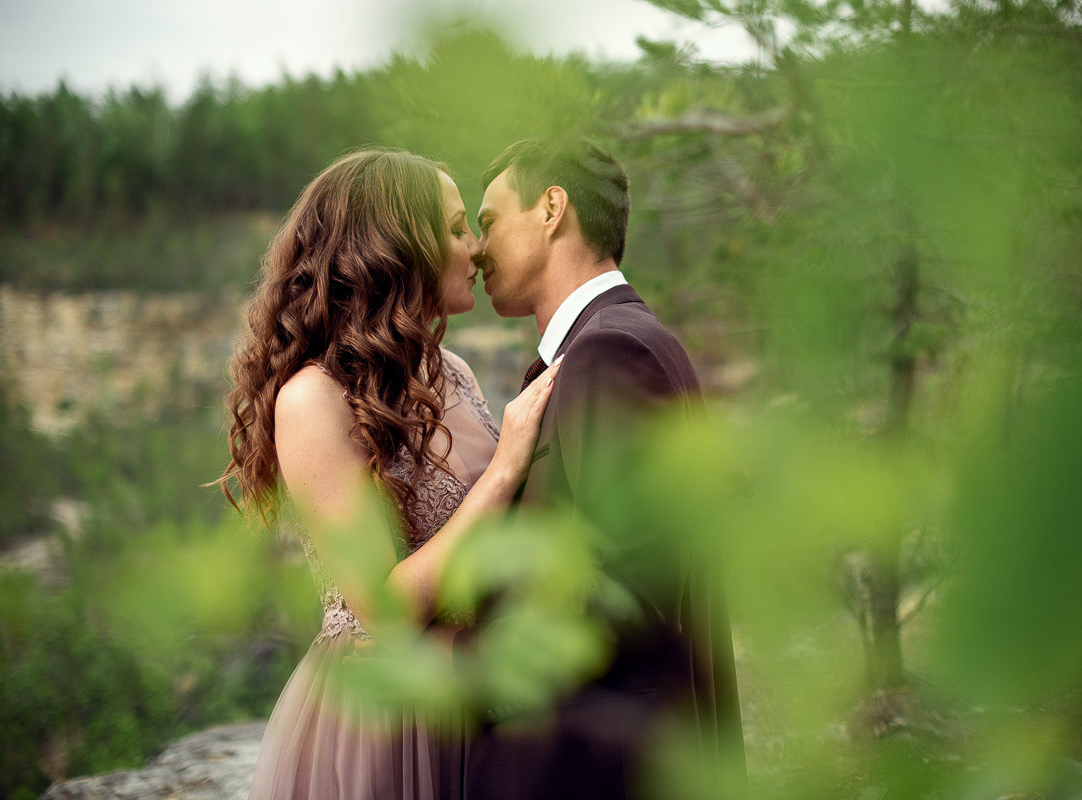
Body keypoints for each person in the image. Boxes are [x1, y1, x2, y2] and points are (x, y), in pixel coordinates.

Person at [219, 148, 558, 800]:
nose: (478, 247)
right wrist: (506, 466)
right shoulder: (311, 401)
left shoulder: (448, 371)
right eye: (458, 228)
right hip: (386, 728)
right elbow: (384, 605)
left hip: (471, 692)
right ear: (397, 249)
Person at [463, 138, 746, 799]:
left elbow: (633, 590)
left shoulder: (613, 351)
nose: (478, 250)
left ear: (551, 208)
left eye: (488, 222)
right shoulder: (611, 343)